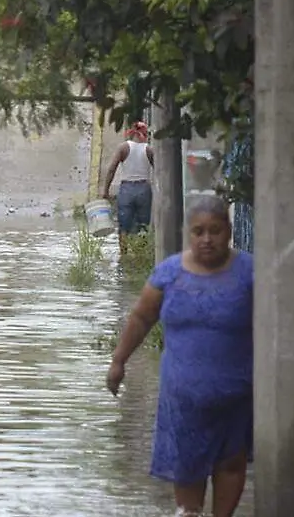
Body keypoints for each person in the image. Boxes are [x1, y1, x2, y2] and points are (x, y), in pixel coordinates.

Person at [106, 196, 252, 517]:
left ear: (228, 230)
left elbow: (274, 323)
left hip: (235, 396)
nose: (207, 239)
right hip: (183, 400)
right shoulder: (169, 274)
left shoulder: (249, 274)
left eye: (215, 231)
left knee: (231, 461)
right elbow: (141, 319)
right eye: (199, 232)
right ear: (189, 233)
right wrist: (118, 361)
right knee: (187, 469)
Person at [103, 120, 155, 253]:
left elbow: (111, 169)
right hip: (144, 189)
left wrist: (106, 191)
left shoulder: (123, 147)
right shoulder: (149, 149)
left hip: (127, 189)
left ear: (131, 133)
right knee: (143, 224)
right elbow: (159, 171)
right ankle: (140, 254)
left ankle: (124, 255)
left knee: (124, 225)